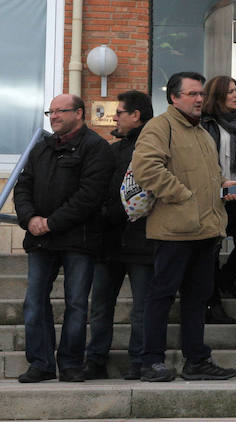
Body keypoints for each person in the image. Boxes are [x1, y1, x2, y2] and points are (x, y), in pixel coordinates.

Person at [132, 72, 236, 382]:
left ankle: (196, 360)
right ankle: (150, 361)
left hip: (205, 230)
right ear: (174, 97)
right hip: (174, 231)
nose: (199, 99)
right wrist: (184, 196)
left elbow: (205, 176)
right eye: (192, 94)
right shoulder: (160, 127)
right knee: (162, 296)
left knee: (197, 299)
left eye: (201, 94)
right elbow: (146, 168)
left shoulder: (202, 132)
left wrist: (223, 185)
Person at [14, 94, 114, 383]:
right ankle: (41, 364)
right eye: (51, 112)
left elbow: (89, 196)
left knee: (77, 304)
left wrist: (51, 223)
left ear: (79, 113)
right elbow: (22, 187)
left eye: (60, 111)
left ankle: (70, 364)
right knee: (34, 302)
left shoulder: (96, 147)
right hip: (40, 240)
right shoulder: (41, 148)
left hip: (78, 240)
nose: (54, 116)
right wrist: (30, 218)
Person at [84, 91, 155, 381]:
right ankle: (95, 360)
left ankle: (139, 362)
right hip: (109, 242)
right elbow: (99, 189)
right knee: (100, 306)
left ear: (136, 115)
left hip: (142, 241)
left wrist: (111, 213)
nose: (115, 117)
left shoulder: (153, 149)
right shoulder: (112, 151)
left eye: (120, 112)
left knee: (141, 309)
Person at [200, 76, 236, 324]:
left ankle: (226, 279)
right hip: (215, 192)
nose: (235, 95)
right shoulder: (206, 123)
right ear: (218, 95)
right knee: (212, 250)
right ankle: (212, 303)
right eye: (230, 91)